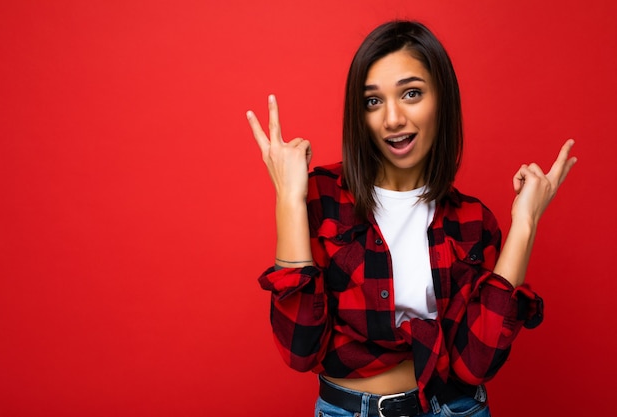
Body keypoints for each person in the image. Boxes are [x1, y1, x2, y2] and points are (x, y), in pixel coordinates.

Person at [246, 20, 576, 417]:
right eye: (373, 101)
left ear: (442, 100)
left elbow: (476, 364)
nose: (392, 119)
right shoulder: (321, 197)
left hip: (456, 409)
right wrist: (289, 200)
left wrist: (526, 223)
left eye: (412, 94)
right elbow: (299, 351)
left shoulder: (473, 221)